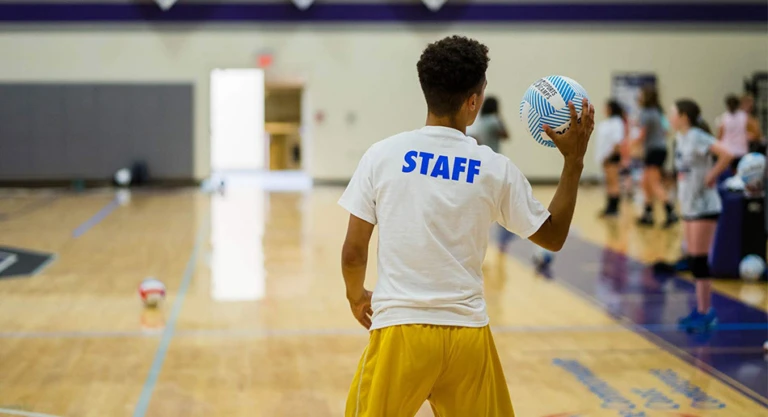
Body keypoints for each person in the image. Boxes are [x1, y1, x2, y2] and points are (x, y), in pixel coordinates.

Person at [338, 35, 595, 417]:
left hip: (400, 333)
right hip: (468, 337)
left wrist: (356, 295)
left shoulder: (382, 155)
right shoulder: (495, 169)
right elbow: (554, 236)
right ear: (473, 101)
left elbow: (354, 252)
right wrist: (573, 162)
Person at [671, 99, 732, 332]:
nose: (671, 117)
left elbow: (726, 154)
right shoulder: (680, 138)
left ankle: (707, 312)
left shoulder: (697, 135)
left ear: (684, 116)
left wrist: (712, 175)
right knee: (693, 260)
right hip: (689, 204)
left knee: (699, 260)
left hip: (705, 205)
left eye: (674, 113)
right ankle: (700, 309)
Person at [633, 86, 678, 227]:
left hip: (653, 151)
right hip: (659, 149)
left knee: (654, 183)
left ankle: (671, 212)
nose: (638, 98)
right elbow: (666, 131)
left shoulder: (646, 113)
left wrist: (631, 144)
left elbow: (642, 134)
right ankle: (648, 214)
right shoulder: (657, 112)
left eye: (640, 95)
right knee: (645, 183)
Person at [595, 99, 627, 217]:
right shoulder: (607, 122)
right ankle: (609, 207)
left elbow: (617, 142)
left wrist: (610, 156)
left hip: (612, 157)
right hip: (605, 158)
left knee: (613, 182)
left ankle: (614, 208)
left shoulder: (617, 122)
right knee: (608, 182)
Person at [716, 94, 749, 171]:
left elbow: (720, 136)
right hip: (741, 150)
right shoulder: (744, 116)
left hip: (727, 151)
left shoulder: (723, 118)